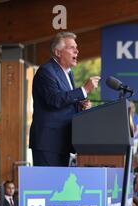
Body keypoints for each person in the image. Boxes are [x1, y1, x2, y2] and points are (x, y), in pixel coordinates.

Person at [30, 32, 100, 166]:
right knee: (48, 185)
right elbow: (54, 100)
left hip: (62, 141)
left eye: (76, 47)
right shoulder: (46, 71)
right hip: (48, 142)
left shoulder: (68, 73)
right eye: (71, 47)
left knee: (58, 186)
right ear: (58, 52)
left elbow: (64, 102)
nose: (77, 50)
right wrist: (84, 90)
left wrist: (80, 105)